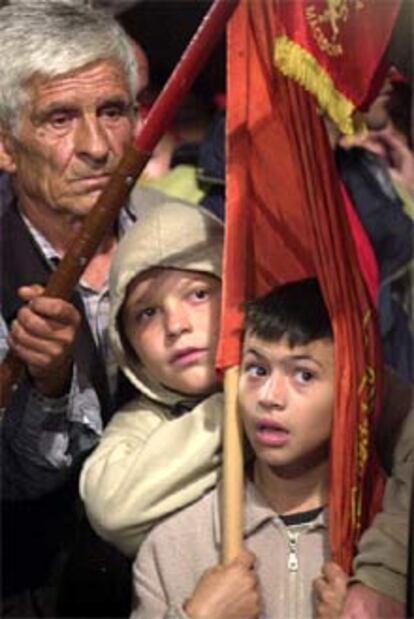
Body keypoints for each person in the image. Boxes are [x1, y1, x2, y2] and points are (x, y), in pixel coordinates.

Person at [0, 3, 165, 616]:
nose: (97, 147)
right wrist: (48, 385)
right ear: (5, 147)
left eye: (113, 112)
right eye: (60, 118)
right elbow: (17, 483)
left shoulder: (191, 236)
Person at [130, 278, 349, 618]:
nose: (269, 397)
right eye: (257, 370)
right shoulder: (174, 543)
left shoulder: (383, 541)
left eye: (303, 375)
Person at [80, 199, 224, 557]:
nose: (176, 326)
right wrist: (234, 410)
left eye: (199, 294)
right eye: (147, 313)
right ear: (127, 344)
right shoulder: (141, 426)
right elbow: (112, 511)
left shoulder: (298, 381)